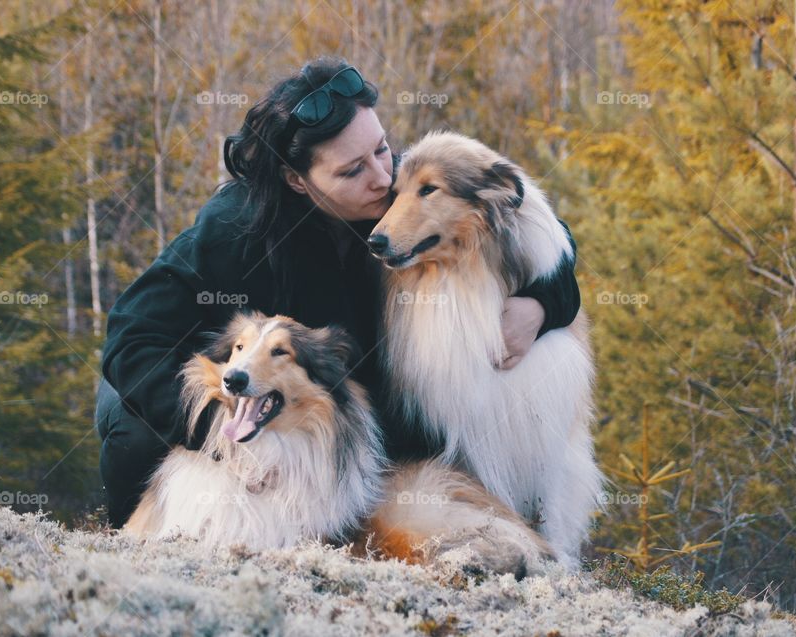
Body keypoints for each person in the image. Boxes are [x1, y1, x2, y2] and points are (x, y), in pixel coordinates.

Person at [94, 56, 582, 528]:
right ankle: (133, 542)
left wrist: (542, 304)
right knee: (135, 433)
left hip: (331, 415)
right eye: (352, 171)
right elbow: (131, 339)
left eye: (382, 148)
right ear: (297, 180)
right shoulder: (233, 231)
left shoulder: (397, 186)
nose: (382, 178)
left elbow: (532, 231)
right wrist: (215, 431)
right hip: (209, 396)